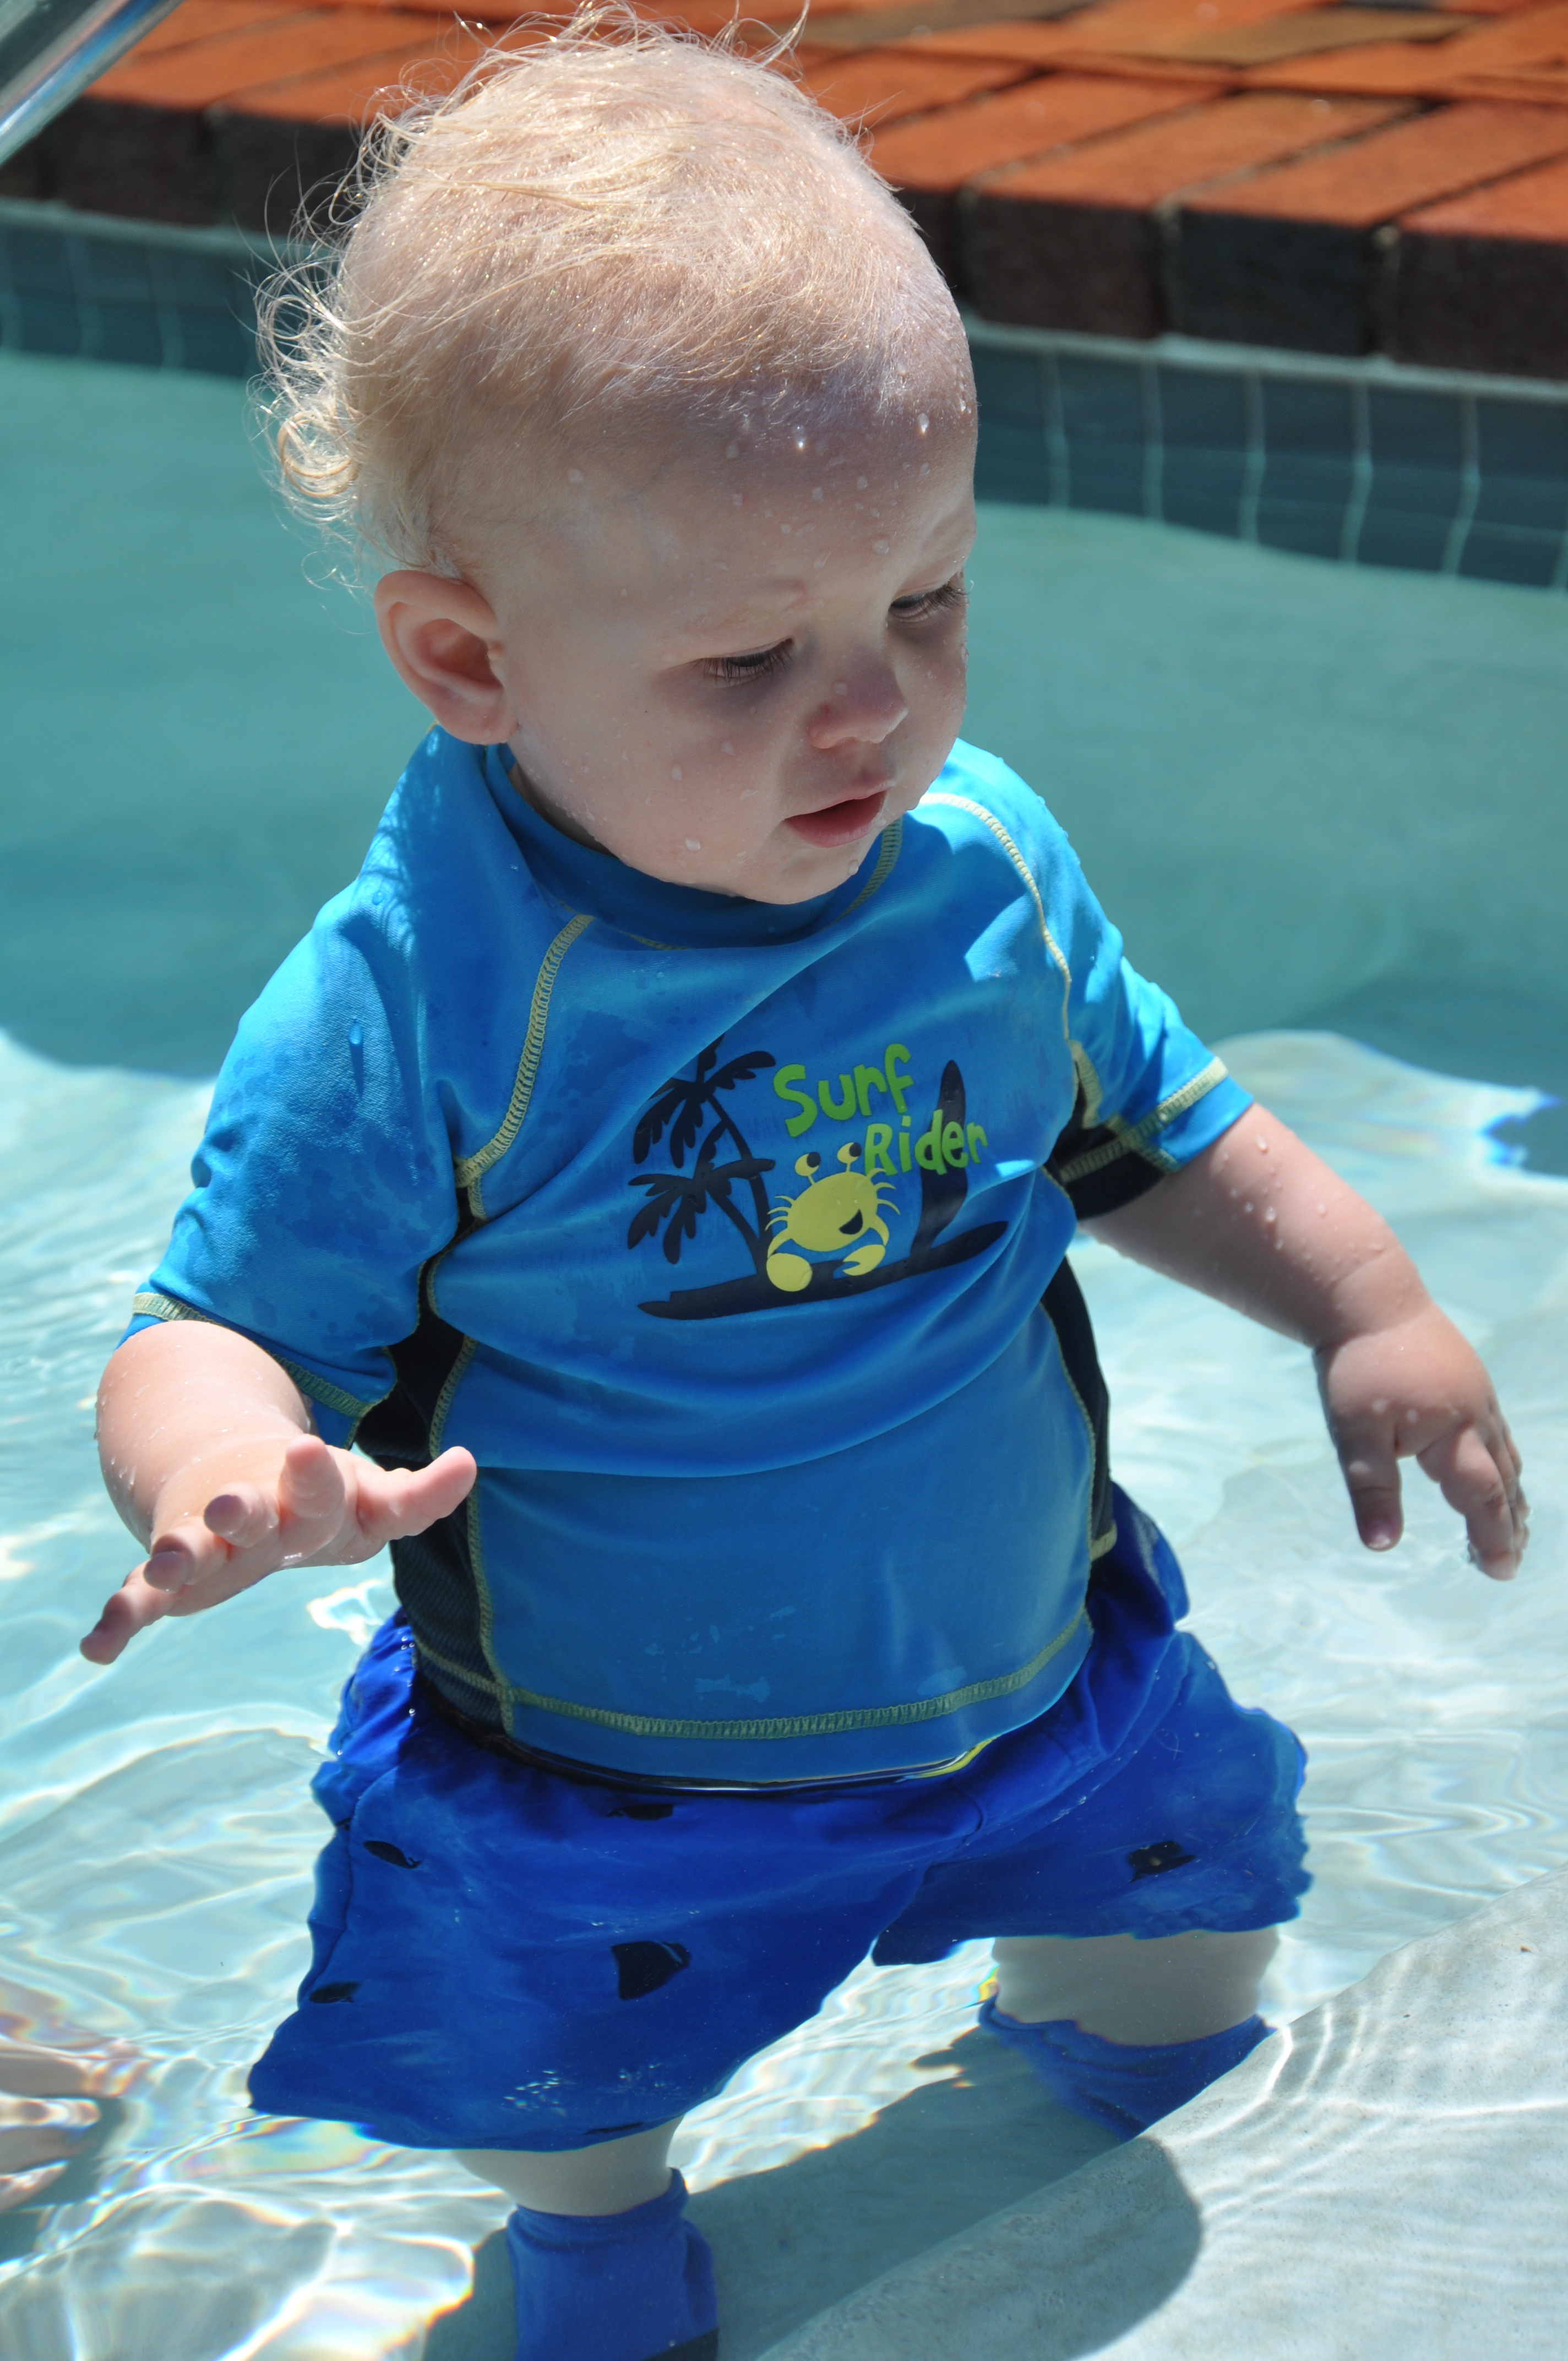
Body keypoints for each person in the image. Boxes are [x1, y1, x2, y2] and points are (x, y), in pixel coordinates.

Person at [82, 17, 1528, 2358]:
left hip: (1041, 1674)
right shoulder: (426, 998)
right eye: (751, 658)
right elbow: (209, 1325)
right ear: (467, 658)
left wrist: (1364, 1304)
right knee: (569, 2086)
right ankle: (592, 2238)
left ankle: (1113, 2070)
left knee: (1190, 1924)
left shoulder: (977, 865)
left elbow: (1150, 1128)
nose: (869, 709)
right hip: (620, 1774)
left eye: (923, 602)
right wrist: (230, 1468)